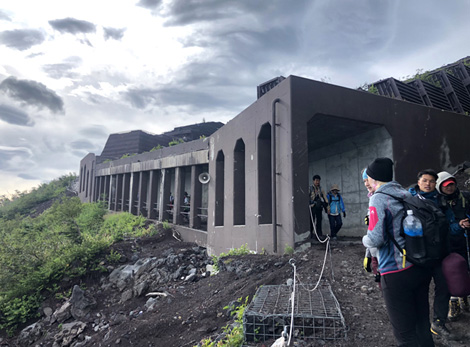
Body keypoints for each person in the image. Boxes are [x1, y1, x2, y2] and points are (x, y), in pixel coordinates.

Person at [362, 158, 434, 347]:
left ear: (374, 177)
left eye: (368, 178)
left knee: (405, 334)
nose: (367, 182)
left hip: (395, 271)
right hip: (418, 265)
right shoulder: (404, 193)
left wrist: (365, 239)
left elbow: (376, 238)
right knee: (421, 325)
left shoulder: (379, 197)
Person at [409, 169, 452, 338]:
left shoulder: (442, 201)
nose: (428, 184)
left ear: (436, 184)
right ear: (418, 182)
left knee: (444, 288)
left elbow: (451, 223)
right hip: (419, 256)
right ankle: (419, 325)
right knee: (420, 291)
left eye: (432, 181)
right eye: (425, 180)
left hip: (440, 254)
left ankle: (439, 322)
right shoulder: (410, 201)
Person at [436, 171, 470, 320]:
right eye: (446, 185)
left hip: (465, 240)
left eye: (452, 184)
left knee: (466, 269)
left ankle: (465, 297)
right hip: (448, 244)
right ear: (440, 187)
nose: (450, 188)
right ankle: (454, 302)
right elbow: (442, 226)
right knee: (452, 273)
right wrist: (458, 225)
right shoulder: (438, 203)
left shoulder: (465, 197)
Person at [309, 175, 328, 239]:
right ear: (313, 181)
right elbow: (307, 198)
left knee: (319, 221)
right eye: (316, 180)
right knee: (312, 221)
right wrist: (312, 203)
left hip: (319, 207)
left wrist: (327, 205)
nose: (318, 182)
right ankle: (310, 234)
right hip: (312, 207)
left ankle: (319, 234)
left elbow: (324, 197)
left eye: (318, 181)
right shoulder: (310, 188)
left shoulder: (320, 189)